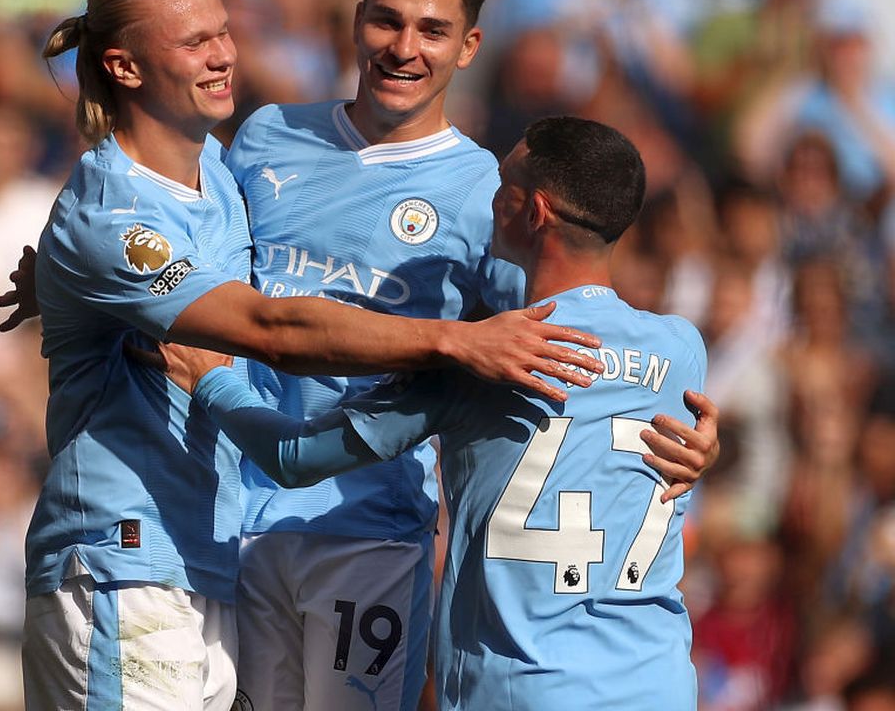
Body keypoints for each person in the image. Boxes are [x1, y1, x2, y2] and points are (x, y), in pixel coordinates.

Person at [2, 0, 720, 711]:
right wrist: (66, 277)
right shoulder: (261, 138)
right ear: (355, 20)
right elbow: (194, 254)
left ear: (469, 46)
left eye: (433, 31)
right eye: (387, 20)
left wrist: (692, 438)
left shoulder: (489, 188)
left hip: (368, 528)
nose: (404, 48)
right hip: (230, 520)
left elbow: (567, 341)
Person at [156, 116, 711, 710]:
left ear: (534, 213)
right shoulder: (680, 350)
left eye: (504, 183)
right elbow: (661, 433)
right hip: (658, 681)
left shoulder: (484, 360)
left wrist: (210, 380)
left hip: (522, 686)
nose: (489, 198)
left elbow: (295, 458)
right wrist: (709, 452)